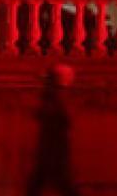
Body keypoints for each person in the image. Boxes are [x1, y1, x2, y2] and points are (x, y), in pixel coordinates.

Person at [27, 64, 80, 196]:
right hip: (53, 148)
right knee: (55, 182)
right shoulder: (57, 96)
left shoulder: (52, 96)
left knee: (44, 181)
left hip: (51, 148)